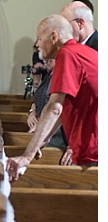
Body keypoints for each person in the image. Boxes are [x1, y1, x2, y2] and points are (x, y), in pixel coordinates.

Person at [7, 14, 98, 178]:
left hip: (92, 147)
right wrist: (43, 139)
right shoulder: (82, 52)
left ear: (54, 36)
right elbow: (62, 108)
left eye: (40, 38)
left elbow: (54, 107)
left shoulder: (67, 53)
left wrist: (27, 156)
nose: (37, 44)